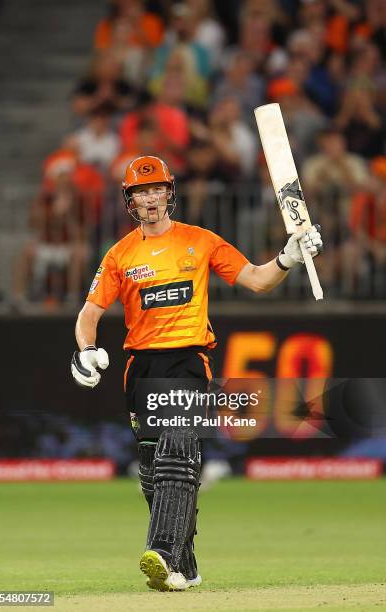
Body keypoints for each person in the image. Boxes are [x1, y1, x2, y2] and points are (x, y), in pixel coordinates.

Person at [70, 155, 323, 591]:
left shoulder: (200, 240)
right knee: (153, 475)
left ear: (169, 193)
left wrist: (287, 257)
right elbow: (89, 313)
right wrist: (87, 351)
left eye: (155, 190)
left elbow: (257, 280)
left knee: (176, 455)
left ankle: (164, 554)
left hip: (187, 362)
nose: (149, 199)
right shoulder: (120, 255)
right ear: (130, 200)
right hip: (141, 368)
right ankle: (185, 566)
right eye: (139, 192)